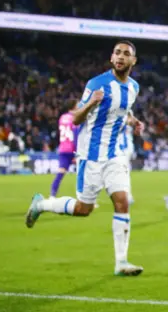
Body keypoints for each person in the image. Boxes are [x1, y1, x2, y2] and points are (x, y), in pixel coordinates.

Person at [25, 40, 145, 277]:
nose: (121, 57)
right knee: (83, 209)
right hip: (90, 157)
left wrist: (133, 121)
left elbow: (123, 111)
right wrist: (91, 102)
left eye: (126, 54)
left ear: (133, 61)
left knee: (122, 201)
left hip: (115, 157)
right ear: (111, 58)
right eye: (117, 53)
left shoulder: (133, 87)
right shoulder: (97, 84)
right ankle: (42, 204)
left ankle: (121, 262)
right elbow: (76, 118)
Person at [49, 99, 79, 199]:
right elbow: (75, 134)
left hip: (63, 149)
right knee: (83, 174)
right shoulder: (75, 118)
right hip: (73, 149)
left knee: (60, 173)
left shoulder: (62, 117)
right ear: (74, 106)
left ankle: (52, 196)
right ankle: (86, 199)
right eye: (77, 104)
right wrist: (76, 152)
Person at [118, 123, 135, 205]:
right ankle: (126, 195)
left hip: (124, 149)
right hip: (123, 149)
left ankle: (127, 196)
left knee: (124, 174)